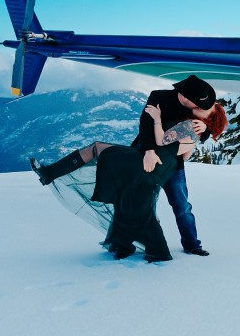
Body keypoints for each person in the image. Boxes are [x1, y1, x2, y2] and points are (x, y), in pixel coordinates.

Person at [30, 121, 198, 263]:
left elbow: (174, 149)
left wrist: (158, 121)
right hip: (144, 158)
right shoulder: (183, 125)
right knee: (129, 199)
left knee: (138, 205)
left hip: (155, 164)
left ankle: (155, 251)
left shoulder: (190, 132)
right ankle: (128, 245)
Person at [133, 75, 228, 257]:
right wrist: (149, 151)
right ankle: (125, 242)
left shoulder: (193, 118)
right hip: (146, 157)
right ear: (186, 98)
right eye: (199, 106)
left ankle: (192, 244)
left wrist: (205, 129)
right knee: (137, 202)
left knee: (182, 206)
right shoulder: (158, 97)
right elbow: (145, 124)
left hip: (173, 165)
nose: (200, 108)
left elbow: (188, 144)